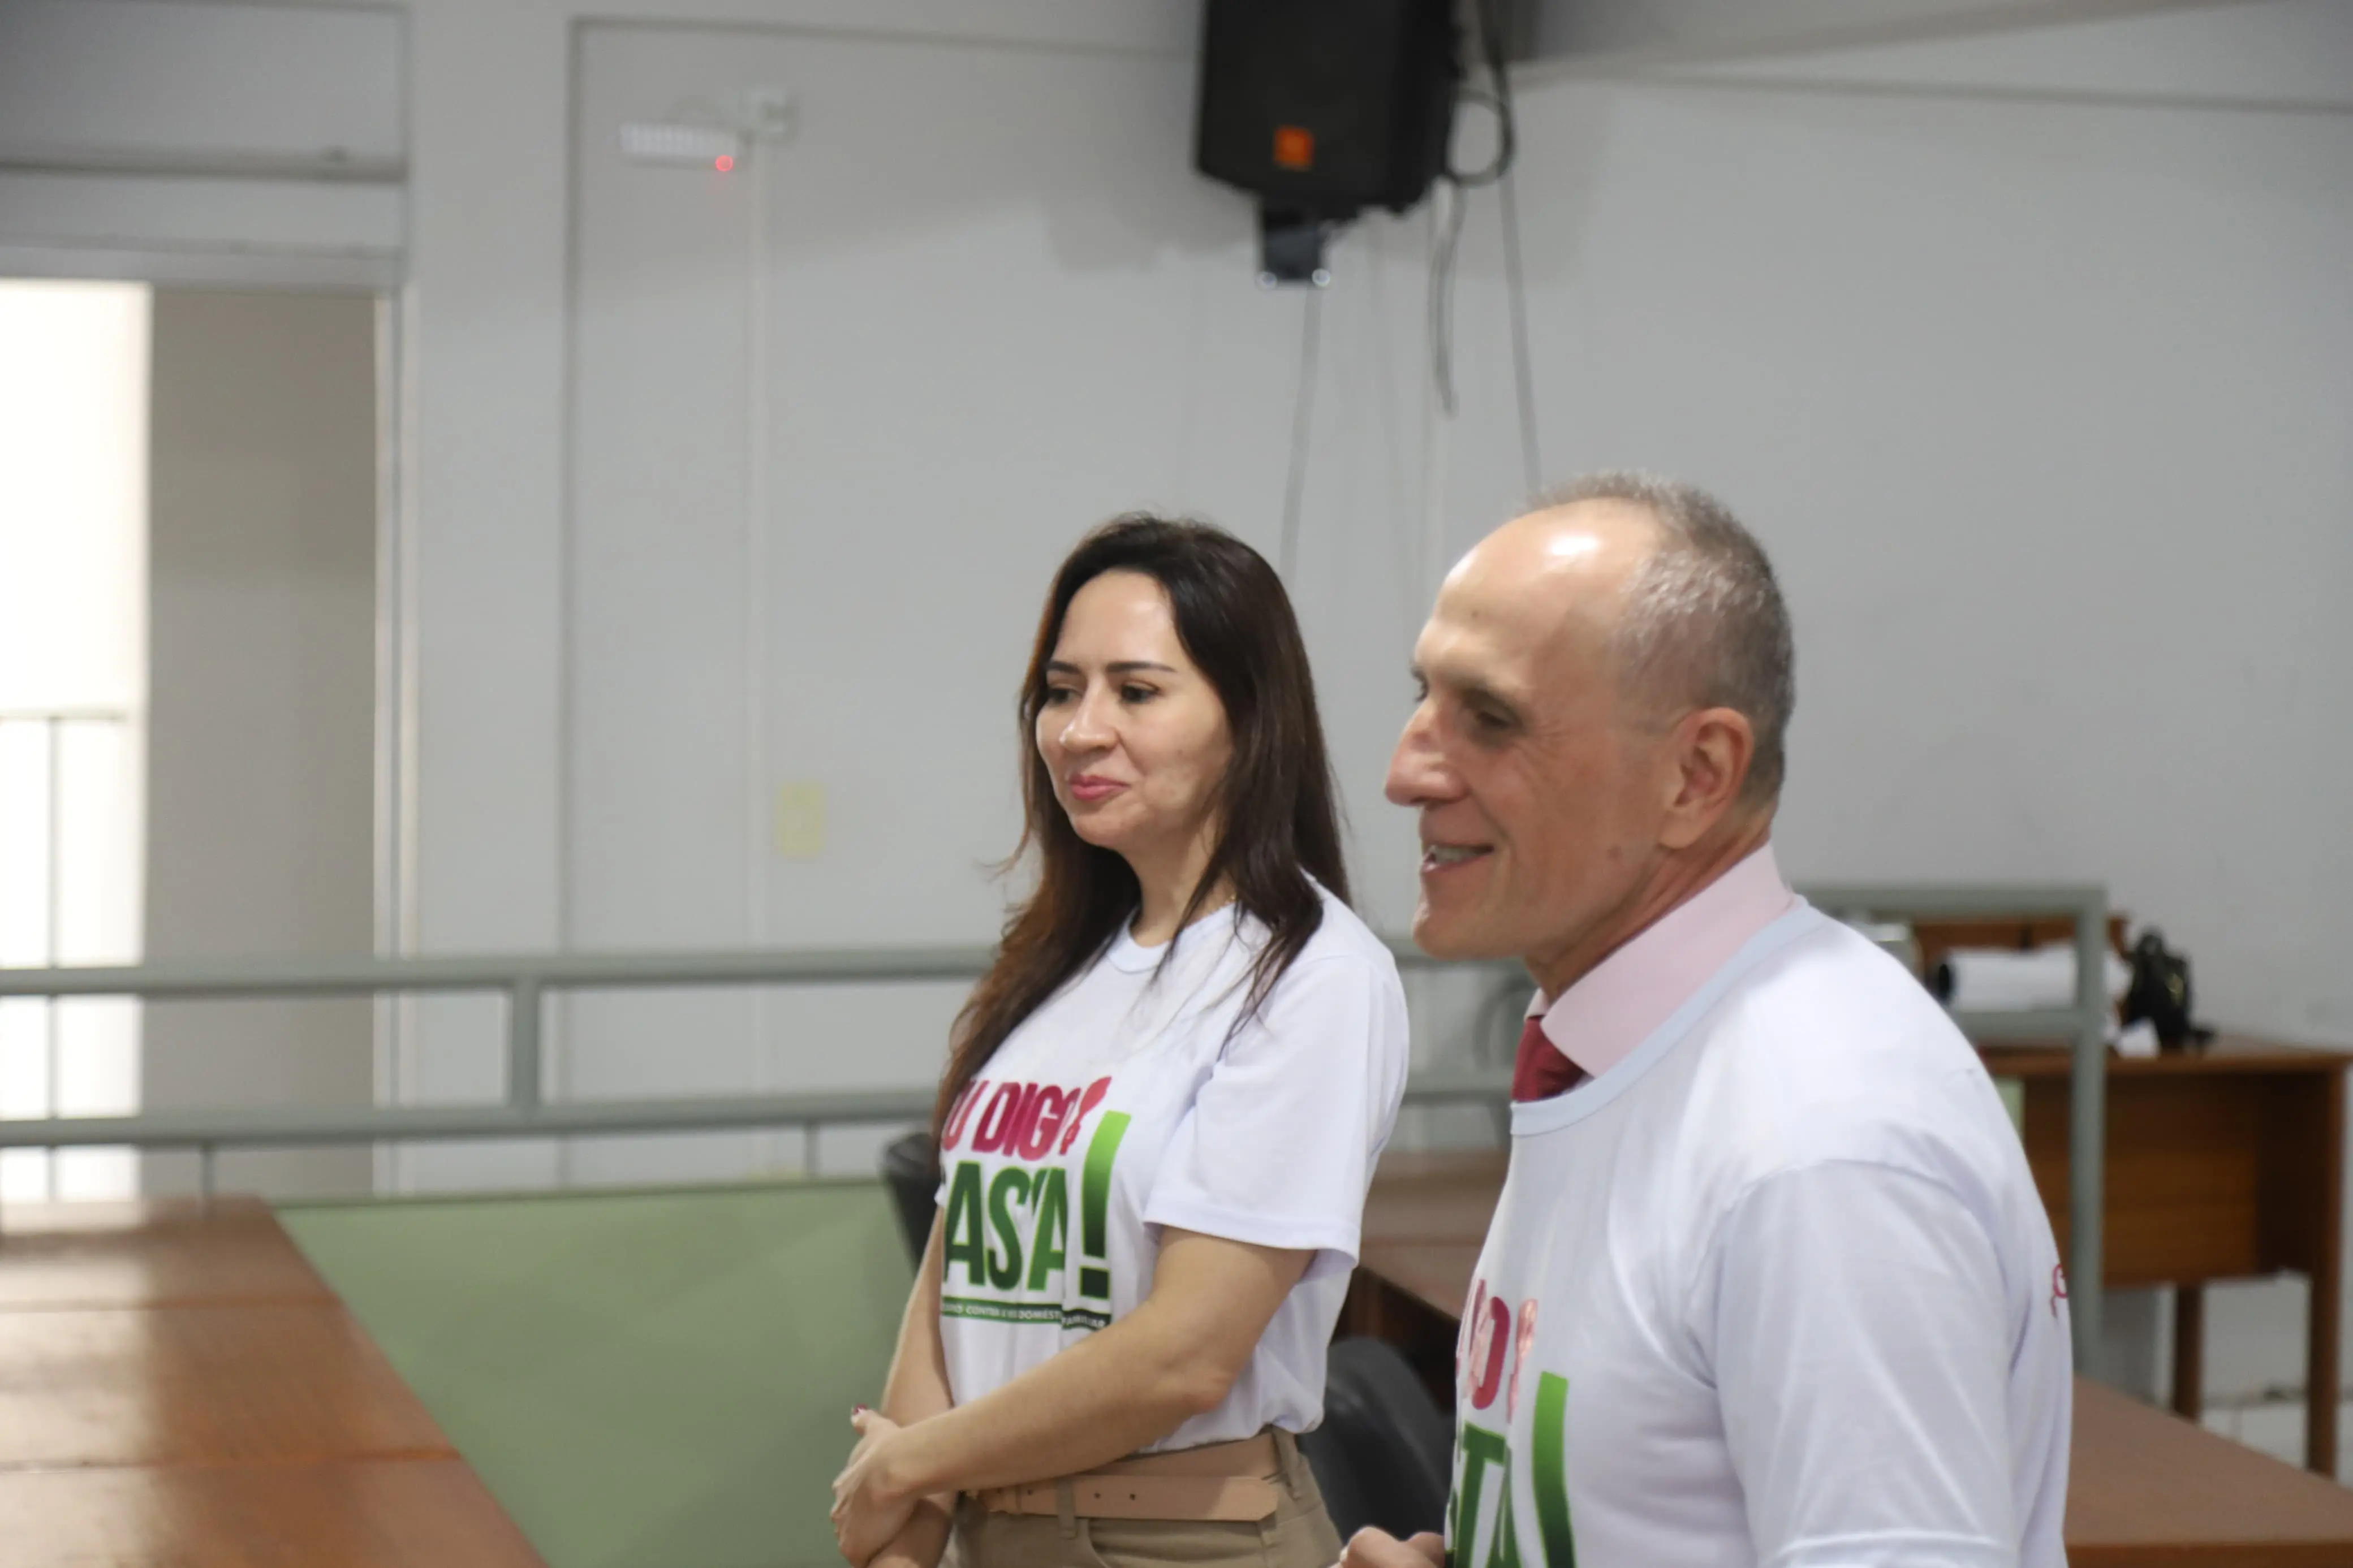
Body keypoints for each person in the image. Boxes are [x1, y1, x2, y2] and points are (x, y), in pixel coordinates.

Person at [1347, 473, 2070, 1568]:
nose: (1407, 770)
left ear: (1696, 775)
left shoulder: (1820, 1145)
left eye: (1490, 719)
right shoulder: (1627, 1045)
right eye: (1422, 697)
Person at [831, 515, 1410, 1568]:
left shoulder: (1313, 974)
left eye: (1136, 692)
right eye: (1061, 689)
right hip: (990, 1531)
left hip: (1181, 1539)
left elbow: (1184, 1357)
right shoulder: (1062, 966)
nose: (1079, 730)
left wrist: (914, 1466)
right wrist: (908, 1534)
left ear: (1249, 718)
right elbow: (954, 1274)